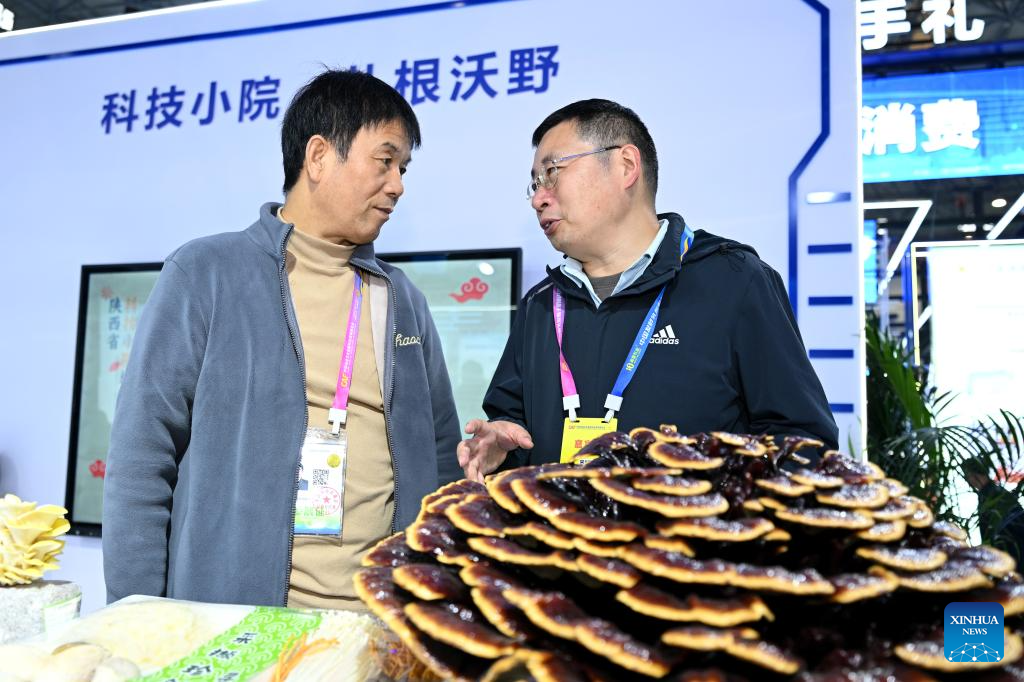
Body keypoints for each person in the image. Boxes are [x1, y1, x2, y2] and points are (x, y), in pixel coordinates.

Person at [104, 69, 461, 610]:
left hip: (382, 624)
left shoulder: (401, 297)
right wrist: (136, 616)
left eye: (403, 168)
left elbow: (441, 455)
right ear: (318, 156)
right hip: (234, 621)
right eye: (384, 161)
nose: (397, 185)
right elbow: (141, 458)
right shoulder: (207, 272)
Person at [458, 99, 838, 480]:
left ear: (626, 166)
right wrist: (500, 452)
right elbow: (513, 431)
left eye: (553, 172)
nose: (538, 198)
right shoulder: (540, 305)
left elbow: (803, 444)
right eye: (535, 183)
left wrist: (706, 501)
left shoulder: (734, 281)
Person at [964, 458, 1024, 566]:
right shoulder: (991, 493)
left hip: (1013, 555)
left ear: (974, 475)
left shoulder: (993, 494)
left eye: (967, 475)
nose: (968, 480)